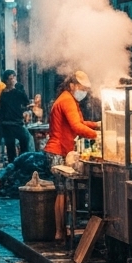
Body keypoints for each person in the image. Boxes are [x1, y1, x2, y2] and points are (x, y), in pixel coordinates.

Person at [44, 71, 99, 241]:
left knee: (64, 192)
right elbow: (76, 127)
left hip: (59, 149)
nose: (84, 92)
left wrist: (96, 125)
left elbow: (79, 123)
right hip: (58, 151)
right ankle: (60, 232)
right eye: (82, 88)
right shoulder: (67, 100)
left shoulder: (68, 98)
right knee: (62, 192)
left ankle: (64, 230)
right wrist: (97, 135)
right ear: (72, 85)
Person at [0, 70, 33, 163]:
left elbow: (26, 101)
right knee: (20, 143)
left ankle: (17, 164)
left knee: (15, 146)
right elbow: (26, 101)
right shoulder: (9, 93)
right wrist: (20, 88)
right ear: (6, 81)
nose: (14, 80)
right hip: (12, 123)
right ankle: (19, 164)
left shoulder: (8, 93)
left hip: (11, 123)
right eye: (11, 78)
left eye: (14, 78)